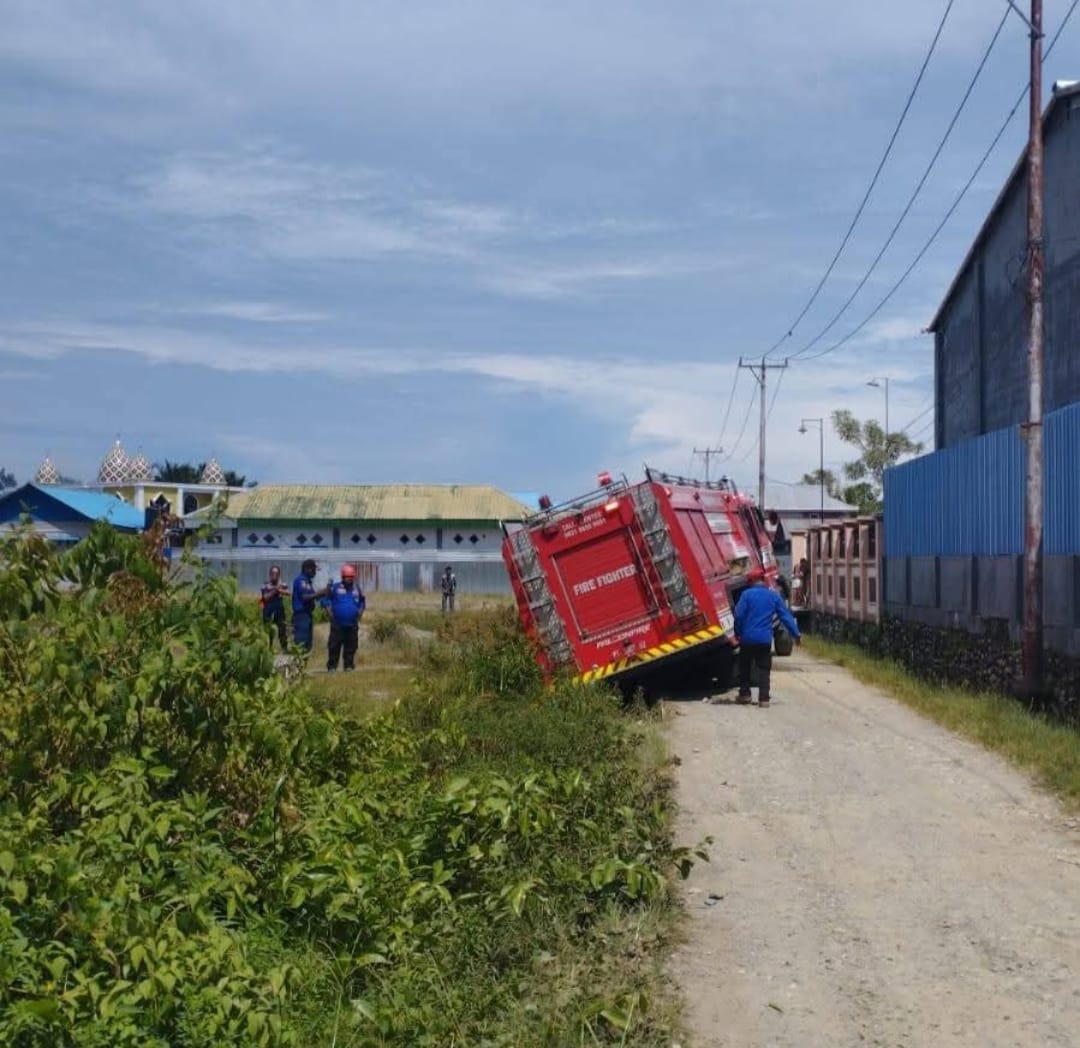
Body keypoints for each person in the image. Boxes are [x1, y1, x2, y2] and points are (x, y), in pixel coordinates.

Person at [732, 567, 801, 707]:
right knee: (764, 668)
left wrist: (738, 632)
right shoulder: (773, 596)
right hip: (764, 639)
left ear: (751, 581)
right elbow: (785, 616)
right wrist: (796, 634)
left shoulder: (746, 595)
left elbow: (738, 616)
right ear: (763, 580)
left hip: (747, 639)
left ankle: (745, 695)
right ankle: (764, 699)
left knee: (745, 666)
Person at [326, 563, 366, 671]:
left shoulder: (357, 589)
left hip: (352, 624)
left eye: (351, 577)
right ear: (342, 577)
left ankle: (348, 666)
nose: (349, 579)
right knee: (334, 645)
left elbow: (362, 602)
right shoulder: (335, 587)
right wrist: (328, 610)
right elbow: (326, 599)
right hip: (337, 623)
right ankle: (332, 667)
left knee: (351, 646)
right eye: (347, 577)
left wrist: (361, 611)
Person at [291, 559, 326, 653]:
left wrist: (325, 592)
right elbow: (305, 597)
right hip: (301, 615)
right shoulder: (301, 581)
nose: (315, 572)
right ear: (307, 569)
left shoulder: (308, 581)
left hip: (307, 615)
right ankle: (299, 660)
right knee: (301, 642)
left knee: (307, 643)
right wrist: (319, 593)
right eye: (314, 569)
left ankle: (304, 660)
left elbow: (314, 596)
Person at [260, 565, 289, 650]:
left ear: (279, 575)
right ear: (270, 574)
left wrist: (279, 589)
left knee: (282, 629)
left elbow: (288, 592)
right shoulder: (265, 585)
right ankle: (268, 648)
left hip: (279, 610)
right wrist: (276, 589)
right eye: (273, 573)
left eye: (276, 573)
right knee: (268, 630)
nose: (274, 575)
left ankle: (284, 648)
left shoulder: (281, 585)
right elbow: (265, 597)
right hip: (268, 610)